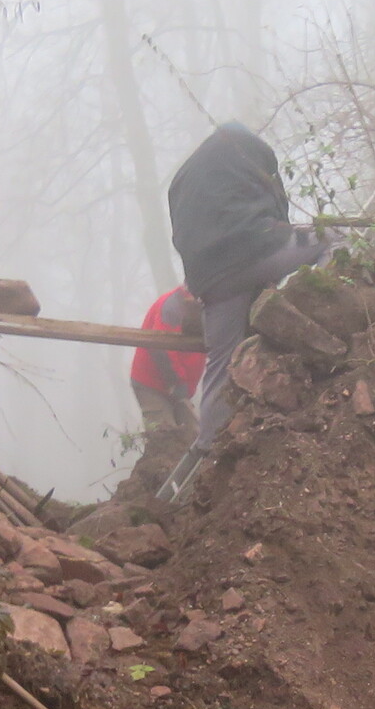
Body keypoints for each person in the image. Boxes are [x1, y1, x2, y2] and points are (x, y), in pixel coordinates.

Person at [165, 122, 328, 483]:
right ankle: (325, 306)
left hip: (213, 281)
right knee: (332, 237)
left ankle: (206, 454)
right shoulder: (245, 159)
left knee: (220, 367)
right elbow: (274, 208)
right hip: (254, 253)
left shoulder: (191, 179)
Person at [121, 286, 205, 503]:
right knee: (164, 436)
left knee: (194, 434)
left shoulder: (206, 304)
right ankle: (157, 500)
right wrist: (176, 383)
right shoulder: (173, 306)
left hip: (179, 383)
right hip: (150, 382)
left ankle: (193, 492)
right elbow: (161, 348)